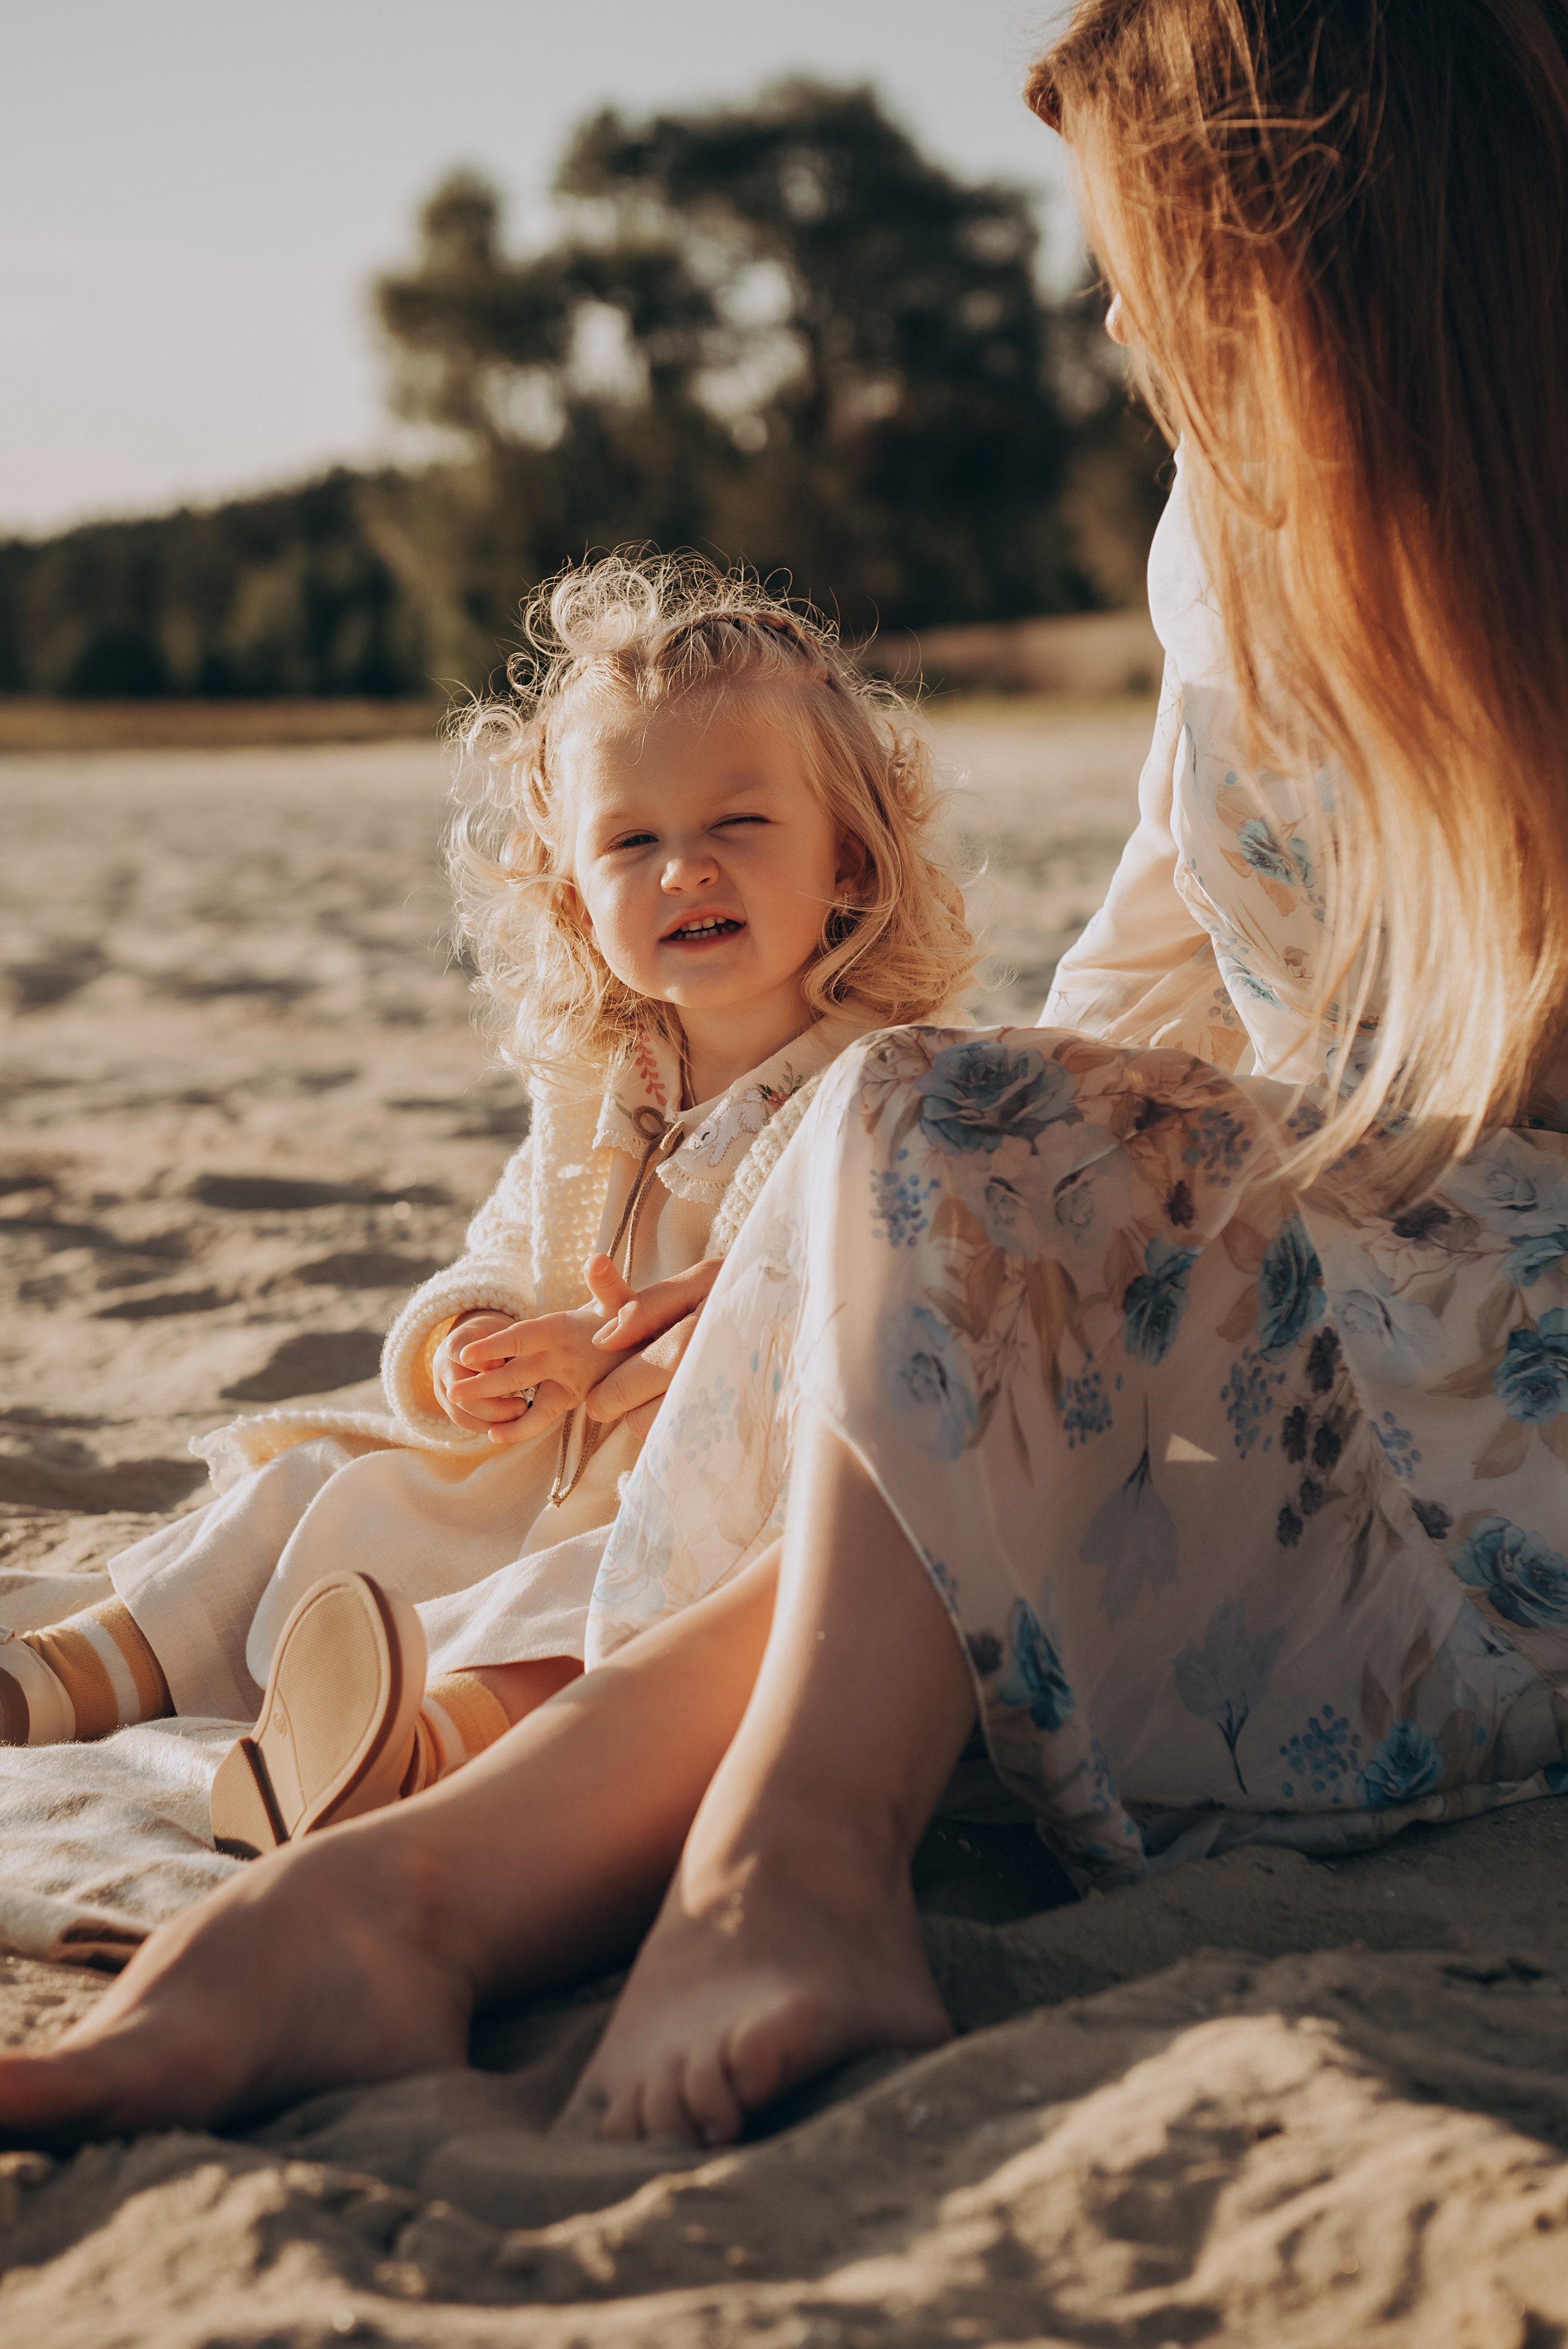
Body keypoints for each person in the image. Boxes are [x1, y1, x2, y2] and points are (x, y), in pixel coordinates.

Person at [5, 0, 1568, 2155]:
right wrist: (871, 1251)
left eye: (1152, 263)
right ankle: (407, 1899)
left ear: (1317, 254)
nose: (1114, 316)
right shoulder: (1224, 545)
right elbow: (1120, 1005)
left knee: (935, 1132)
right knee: (923, 1110)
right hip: (1313, 1302)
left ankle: (739, 1865)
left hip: (1511, 1401)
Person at [0, 556, 977, 1857]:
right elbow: (512, 1238)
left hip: (698, 1495)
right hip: (535, 1463)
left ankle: (403, 1753)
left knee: (582, 1622)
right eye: (632, 841)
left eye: (737, 827)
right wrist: (470, 1338)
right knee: (311, 1496)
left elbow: (809, 1324)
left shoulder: (867, 1086)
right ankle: (63, 1679)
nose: (684, 870)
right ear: (576, 894)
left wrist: (618, 1358)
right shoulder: (604, 1082)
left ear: (847, 859)